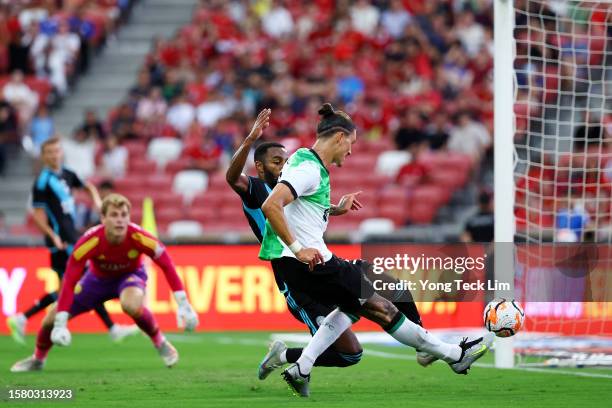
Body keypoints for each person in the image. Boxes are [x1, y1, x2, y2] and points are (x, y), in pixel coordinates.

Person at [260, 103, 493, 396]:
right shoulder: (309, 169)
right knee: (383, 309)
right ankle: (454, 356)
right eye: (352, 144)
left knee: (351, 305)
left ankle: (302, 366)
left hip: (304, 262)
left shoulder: (302, 161)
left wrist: (333, 209)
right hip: (309, 261)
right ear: (339, 138)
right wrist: (297, 248)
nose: (351, 152)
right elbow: (272, 205)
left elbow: (299, 206)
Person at [228, 109, 436, 382]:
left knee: (385, 282)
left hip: (320, 263)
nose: (282, 167)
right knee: (349, 354)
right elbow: (233, 179)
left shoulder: (295, 182)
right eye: (276, 162)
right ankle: (283, 356)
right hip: (296, 278)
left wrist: (336, 209)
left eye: (285, 161)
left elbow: (312, 211)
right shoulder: (256, 189)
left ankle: (425, 344)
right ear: (261, 167)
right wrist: (250, 139)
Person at [11, 194, 199, 372]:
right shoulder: (90, 241)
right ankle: (38, 359)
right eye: (114, 215)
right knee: (50, 319)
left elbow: (167, 264)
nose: (120, 220)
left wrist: (183, 303)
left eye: (124, 215)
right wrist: (61, 322)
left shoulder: (139, 237)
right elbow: (69, 281)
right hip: (96, 281)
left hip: (130, 276)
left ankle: (160, 342)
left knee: (131, 305)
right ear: (103, 218)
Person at [6, 138, 137, 344]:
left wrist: (97, 203)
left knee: (69, 288)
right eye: (49, 152)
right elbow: (38, 215)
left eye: (56, 151)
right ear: (44, 156)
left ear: (61, 152)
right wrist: (53, 236)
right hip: (61, 242)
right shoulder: (42, 182)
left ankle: (22, 318)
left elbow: (89, 188)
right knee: (86, 283)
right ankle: (111, 329)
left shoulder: (67, 173)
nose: (54, 155)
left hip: (72, 237)